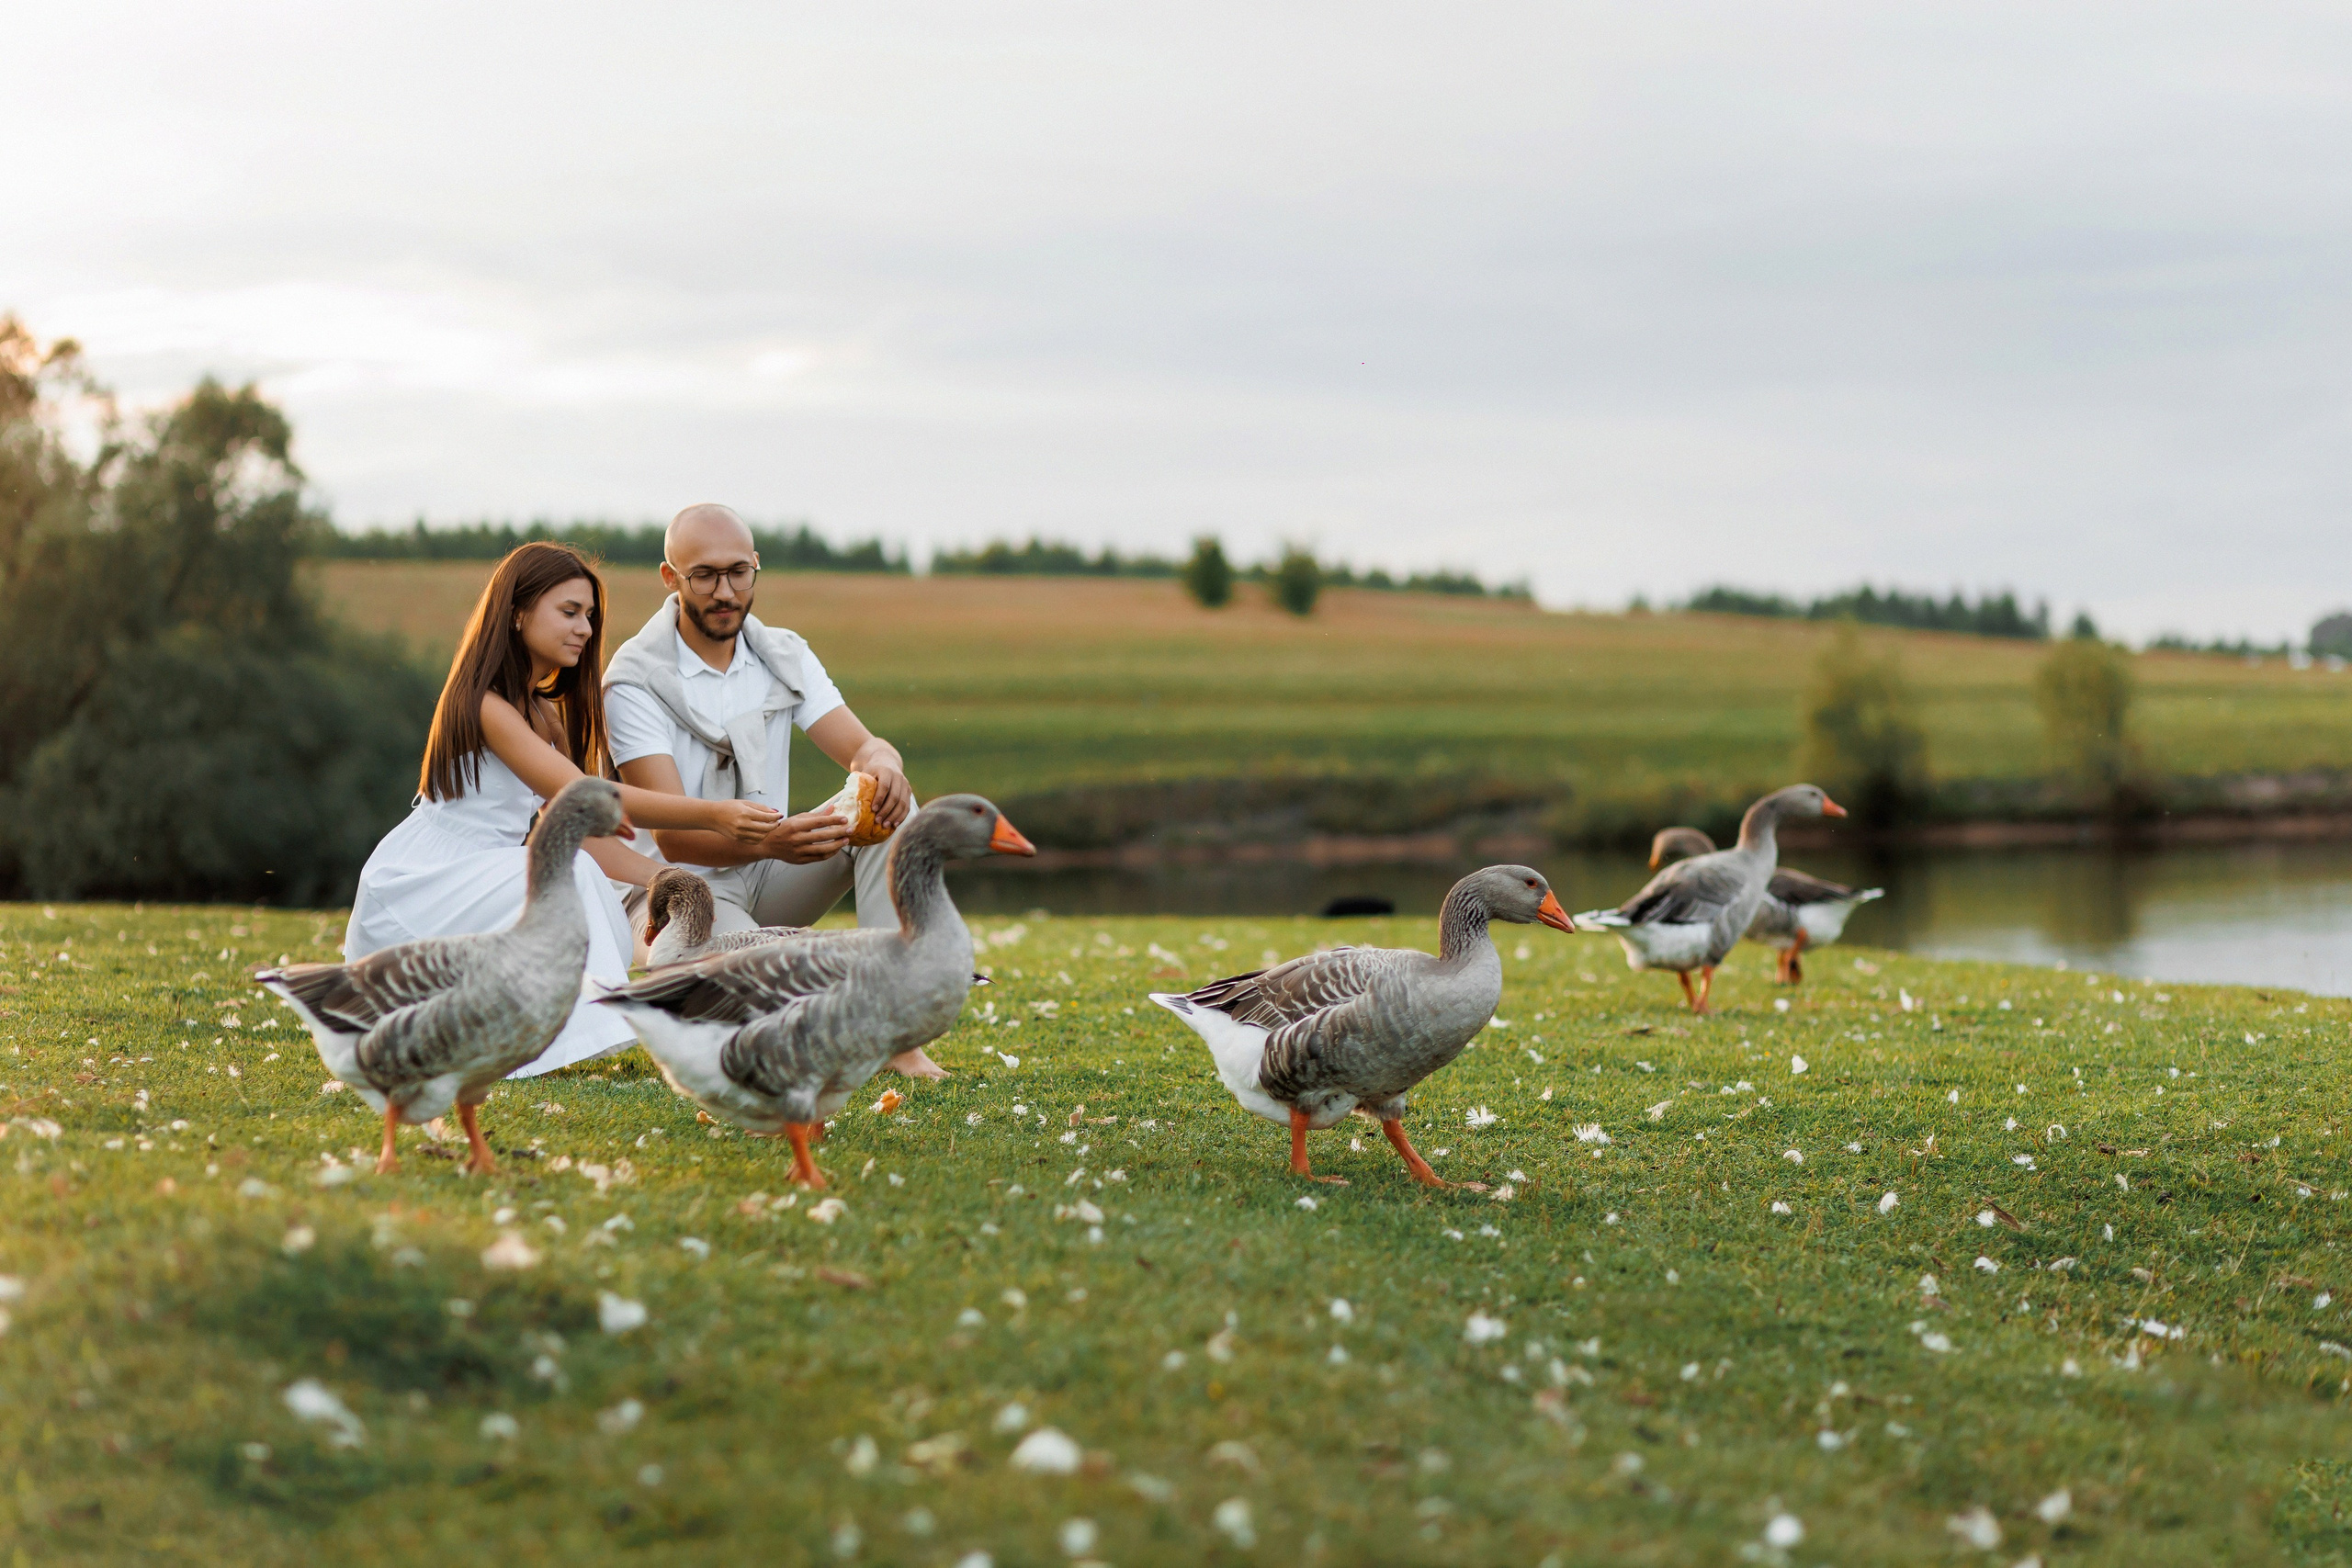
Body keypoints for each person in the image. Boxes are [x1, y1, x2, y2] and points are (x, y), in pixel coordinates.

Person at [345, 541, 784, 1075]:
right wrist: (712, 814)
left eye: (590, 617)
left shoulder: (541, 715)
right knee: (569, 878)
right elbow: (589, 800)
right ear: (518, 613)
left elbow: (587, 833)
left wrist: (665, 877)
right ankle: (579, 1030)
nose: (585, 629)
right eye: (569, 612)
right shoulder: (487, 707)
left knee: (584, 882)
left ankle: (564, 1027)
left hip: (486, 873)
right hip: (428, 880)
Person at [605, 502, 945, 1078]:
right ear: (670, 578)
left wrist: (885, 763)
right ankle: (710, 989)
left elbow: (863, 748)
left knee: (897, 808)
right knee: (771, 985)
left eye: (739, 572)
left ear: (756, 567)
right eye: (704, 575)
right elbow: (675, 837)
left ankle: (896, 1033)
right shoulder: (632, 680)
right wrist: (774, 841)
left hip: (769, 864)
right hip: (675, 897)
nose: (725, 591)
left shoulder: (783, 653)